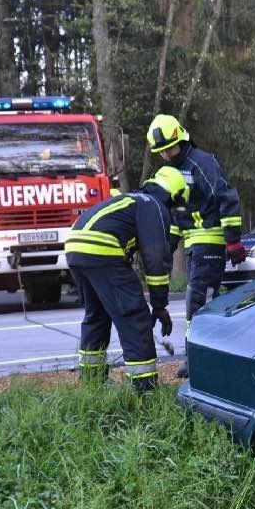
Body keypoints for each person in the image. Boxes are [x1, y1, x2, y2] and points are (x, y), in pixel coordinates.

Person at [64, 165, 189, 393]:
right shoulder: (154, 206)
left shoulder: (133, 201)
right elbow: (155, 259)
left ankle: (92, 382)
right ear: (174, 196)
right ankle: (144, 388)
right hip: (101, 248)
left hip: (75, 246)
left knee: (97, 314)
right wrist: (159, 305)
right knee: (135, 315)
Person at [145, 114, 243, 320]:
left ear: (181, 139)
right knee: (199, 300)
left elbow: (226, 196)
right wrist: (167, 244)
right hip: (192, 245)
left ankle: (198, 346)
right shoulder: (170, 171)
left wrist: (233, 241)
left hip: (210, 242)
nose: (166, 155)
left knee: (199, 301)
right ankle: (198, 344)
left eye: (169, 149)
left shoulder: (202, 163)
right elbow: (174, 212)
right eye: (161, 152)